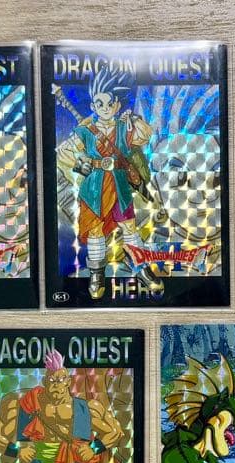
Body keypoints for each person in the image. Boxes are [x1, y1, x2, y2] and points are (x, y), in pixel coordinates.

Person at [57, 68, 162, 299]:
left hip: (120, 186)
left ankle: (141, 267)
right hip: (94, 188)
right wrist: (83, 163)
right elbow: (64, 154)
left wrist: (133, 119)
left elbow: (145, 136)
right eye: (99, 104)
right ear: (93, 106)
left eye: (109, 103)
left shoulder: (125, 127)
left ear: (117, 105)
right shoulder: (85, 131)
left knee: (130, 228)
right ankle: (97, 274)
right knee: (95, 232)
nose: (104, 108)